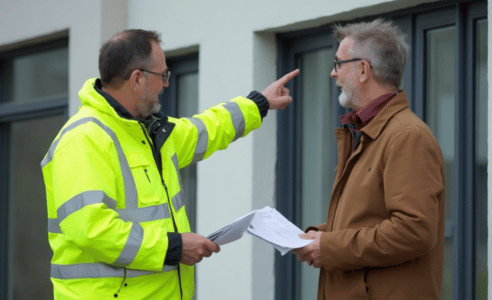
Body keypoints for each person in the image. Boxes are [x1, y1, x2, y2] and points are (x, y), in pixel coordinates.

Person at [41, 29, 299, 300]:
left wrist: (259, 103)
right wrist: (173, 247)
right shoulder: (83, 140)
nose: (166, 84)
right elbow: (91, 230)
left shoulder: (149, 132)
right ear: (137, 79)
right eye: (162, 75)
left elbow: (205, 129)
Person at [292, 19, 445, 300]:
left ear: (363, 69)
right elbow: (367, 220)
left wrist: (329, 246)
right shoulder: (368, 132)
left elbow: (414, 231)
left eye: (338, 64)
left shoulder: (407, 136)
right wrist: (318, 237)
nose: (332, 73)